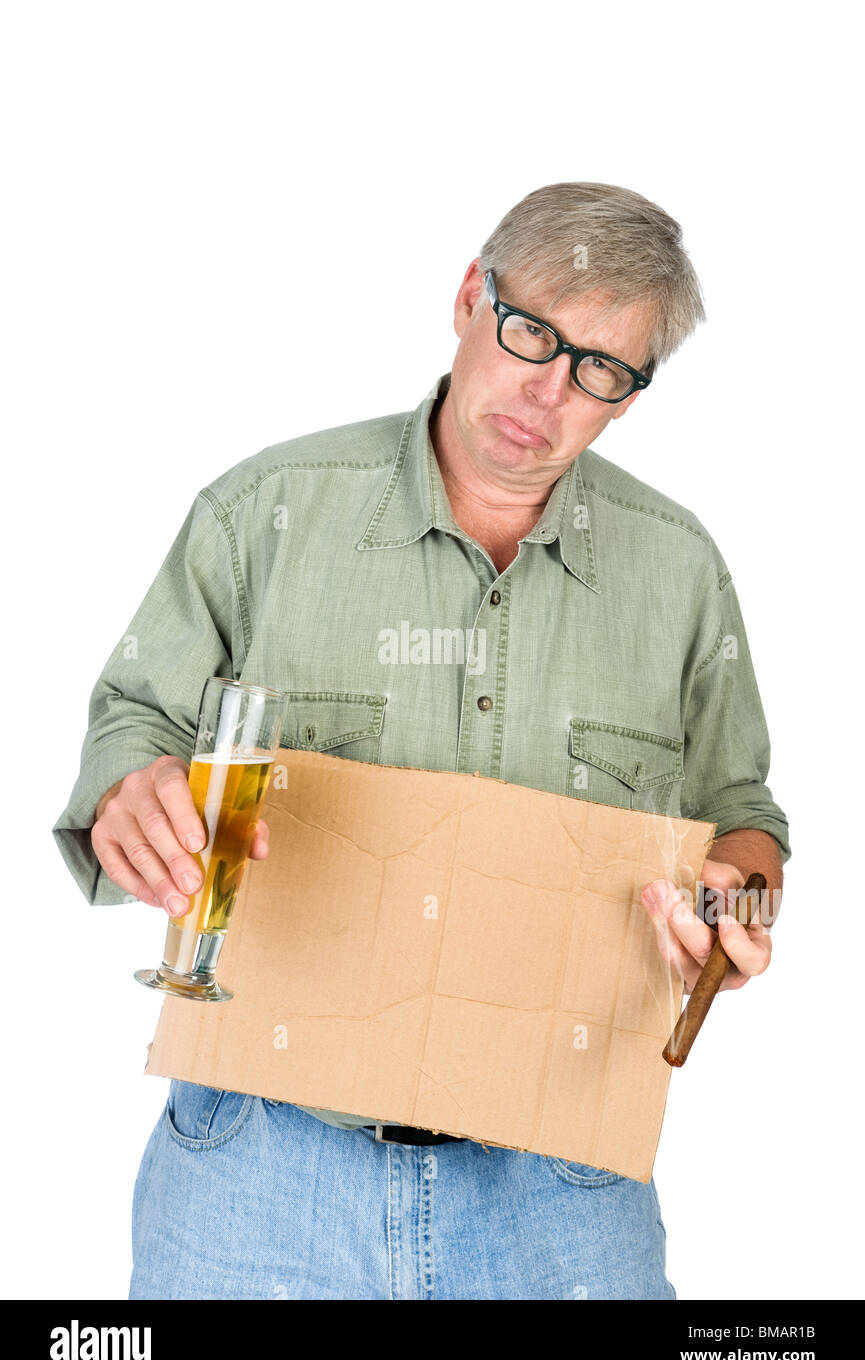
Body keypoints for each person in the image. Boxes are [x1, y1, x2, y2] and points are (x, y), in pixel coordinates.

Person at [53, 181, 790, 1300]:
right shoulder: (266, 511)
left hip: (563, 1190)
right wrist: (132, 792)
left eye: (599, 369)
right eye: (532, 330)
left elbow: (746, 814)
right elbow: (132, 722)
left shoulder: (679, 574)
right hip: (262, 1161)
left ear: (629, 399)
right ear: (466, 298)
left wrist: (736, 905)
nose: (547, 391)